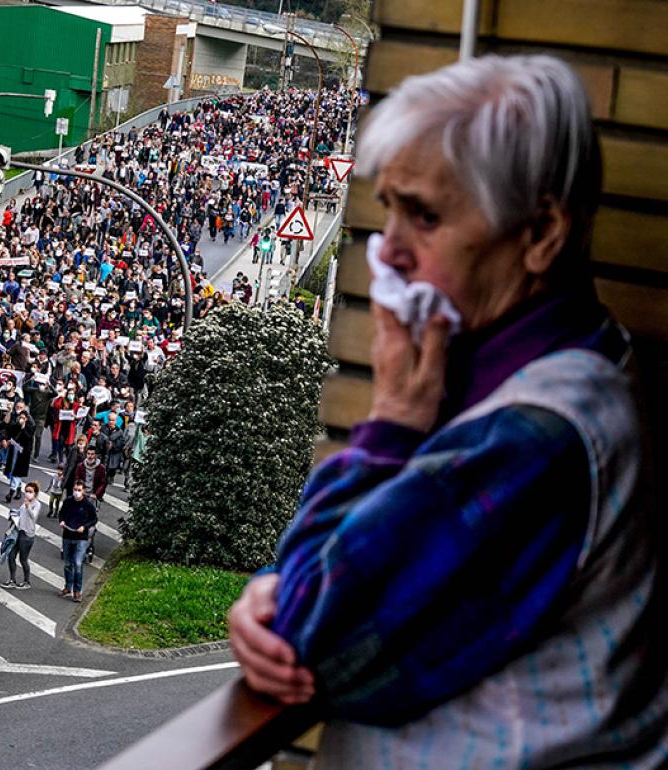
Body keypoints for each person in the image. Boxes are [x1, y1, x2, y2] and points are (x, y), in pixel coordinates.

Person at [228, 55, 668, 767]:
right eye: (389, 208)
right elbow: (340, 584)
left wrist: (389, 427)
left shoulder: (533, 435)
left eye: (425, 217)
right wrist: (281, 587)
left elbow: (315, 634)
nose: (388, 252)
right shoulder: (566, 357)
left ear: (540, 236)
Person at [57, 481, 96, 602]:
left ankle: (77, 591)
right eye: (75, 489)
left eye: (79, 490)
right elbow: (61, 513)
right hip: (68, 535)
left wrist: (84, 527)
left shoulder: (88, 505)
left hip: (81, 538)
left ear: (83, 491)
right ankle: (68, 587)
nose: (76, 492)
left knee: (78, 563)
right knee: (68, 563)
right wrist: (62, 521)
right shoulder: (68, 501)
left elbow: (94, 519)